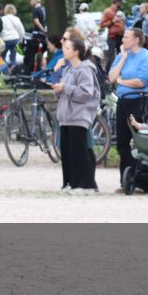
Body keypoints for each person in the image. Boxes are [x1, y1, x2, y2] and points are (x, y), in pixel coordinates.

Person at [109, 27, 148, 194]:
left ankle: (141, 182)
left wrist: (122, 81)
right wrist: (123, 58)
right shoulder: (122, 55)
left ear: (136, 40)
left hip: (140, 101)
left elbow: (142, 81)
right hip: (123, 101)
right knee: (122, 142)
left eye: (127, 37)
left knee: (139, 141)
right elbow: (111, 78)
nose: (123, 40)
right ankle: (126, 180)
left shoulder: (146, 56)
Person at [51, 33, 101, 193]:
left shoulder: (85, 69)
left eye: (67, 48)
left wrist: (65, 88)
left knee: (79, 152)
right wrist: (58, 89)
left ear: (76, 52)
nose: (64, 50)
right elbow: (64, 88)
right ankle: (70, 182)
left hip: (79, 116)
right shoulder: (68, 69)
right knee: (67, 152)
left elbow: (86, 92)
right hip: (66, 116)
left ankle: (86, 185)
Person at [21, 0, 48, 73]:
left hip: (37, 35)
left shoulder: (35, 9)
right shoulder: (44, 9)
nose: (30, 2)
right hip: (43, 37)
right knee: (41, 53)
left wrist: (43, 30)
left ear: (36, 1)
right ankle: (40, 69)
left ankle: (29, 70)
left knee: (31, 53)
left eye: (31, 0)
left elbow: (36, 21)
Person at [100, 0, 125, 69]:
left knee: (122, 55)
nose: (122, 4)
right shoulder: (108, 11)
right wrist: (112, 21)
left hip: (121, 37)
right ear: (117, 2)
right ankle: (106, 73)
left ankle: (120, 72)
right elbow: (102, 25)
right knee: (111, 57)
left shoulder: (119, 12)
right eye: (121, 3)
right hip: (112, 37)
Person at [0, 4, 26, 70]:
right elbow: (22, 31)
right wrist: (20, 39)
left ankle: (3, 69)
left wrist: (0, 39)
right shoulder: (16, 19)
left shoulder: (2, 19)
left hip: (5, 39)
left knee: (2, 56)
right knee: (13, 57)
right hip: (15, 39)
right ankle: (13, 70)